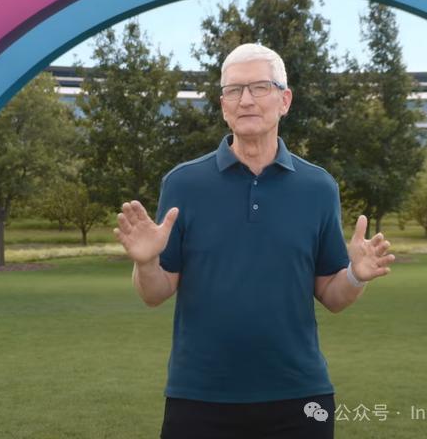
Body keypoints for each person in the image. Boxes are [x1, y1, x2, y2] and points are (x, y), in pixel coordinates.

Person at [113, 43, 395, 439]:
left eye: (260, 87)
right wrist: (146, 262)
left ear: (285, 100)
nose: (245, 100)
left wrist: (356, 276)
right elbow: (155, 294)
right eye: (234, 90)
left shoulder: (318, 187)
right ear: (223, 105)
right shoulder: (183, 183)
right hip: (199, 396)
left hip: (300, 396)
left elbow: (333, 296)